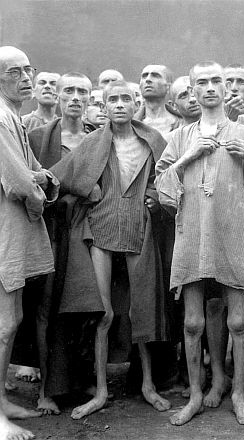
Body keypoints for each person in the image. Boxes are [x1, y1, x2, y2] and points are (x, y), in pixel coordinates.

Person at [51, 80, 170, 420]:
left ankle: (147, 385)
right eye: (112, 99)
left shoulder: (153, 140)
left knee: (141, 310)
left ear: (136, 104)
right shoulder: (93, 141)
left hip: (138, 228)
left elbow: (169, 177)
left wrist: (154, 194)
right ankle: (101, 391)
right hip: (99, 229)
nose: (119, 105)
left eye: (125, 99)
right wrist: (87, 191)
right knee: (105, 314)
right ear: (103, 106)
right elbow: (62, 177)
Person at [155, 61, 244, 427]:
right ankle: (197, 395)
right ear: (192, 91)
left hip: (231, 231)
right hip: (191, 235)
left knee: (237, 318)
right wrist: (191, 156)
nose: (211, 88)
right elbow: (162, 188)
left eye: (216, 80)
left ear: (225, 87)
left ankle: (236, 394)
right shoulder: (180, 137)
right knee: (192, 322)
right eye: (201, 82)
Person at [27, 72, 96, 416]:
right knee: (45, 308)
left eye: (82, 92)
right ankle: (45, 389)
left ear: (89, 98)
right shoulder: (38, 136)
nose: (74, 97)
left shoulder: (97, 139)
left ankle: (80, 379)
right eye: (68, 90)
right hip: (47, 230)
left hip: (84, 231)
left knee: (82, 307)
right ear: (58, 95)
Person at [0, 45, 59, 440]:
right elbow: (20, 181)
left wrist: (42, 180)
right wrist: (39, 199)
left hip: (15, 226)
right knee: (4, 323)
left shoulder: (13, 117)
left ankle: (1, 401)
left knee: (13, 317)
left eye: (27, 70)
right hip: (7, 226)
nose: (24, 78)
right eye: (13, 72)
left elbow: (34, 170)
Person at [135, 64, 181, 138]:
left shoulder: (182, 122)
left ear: (168, 86)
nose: (148, 80)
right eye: (144, 76)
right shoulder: (129, 124)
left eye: (155, 76)